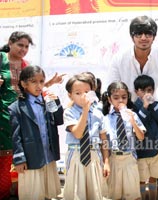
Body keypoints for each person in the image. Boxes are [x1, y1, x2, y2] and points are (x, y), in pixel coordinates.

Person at [0, 31, 64, 199]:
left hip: (24, 116)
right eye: (20, 45)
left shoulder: (26, 66)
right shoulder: (0, 59)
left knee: (28, 164)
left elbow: (35, 87)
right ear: (10, 43)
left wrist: (50, 89)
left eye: (27, 46)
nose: (24, 49)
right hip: (5, 116)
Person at [8, 65, 64, 199]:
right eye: (34, 81)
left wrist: (55, 102)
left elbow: (58, 120)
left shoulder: (47, 101)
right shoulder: (16, 108)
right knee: (32, 193)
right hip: (30, 157)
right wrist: (19, 159)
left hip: (48, 156)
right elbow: (16, 137)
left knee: (47, 192)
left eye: (41, 81)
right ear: (24, 84)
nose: (39, 85)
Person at [63, 74, 110, 200]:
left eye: (86, 92)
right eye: (78, 93)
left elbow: (104, 140)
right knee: (76, 191)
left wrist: (106, 162)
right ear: (70, 95)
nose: (83, 96)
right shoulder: (69, 112)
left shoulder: (98, 113)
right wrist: (85, 110)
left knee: (94, 190)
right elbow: (78, 133)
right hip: (76, 153)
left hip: (94, 154)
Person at [108, 15, 158, 102]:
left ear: (154, 37)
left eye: (148, 34)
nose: (143, 38)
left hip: (152, 108)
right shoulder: (118, 59)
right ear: (132, 37)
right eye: (139, 34)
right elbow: (111, 89)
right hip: (125, 108)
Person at [101, 81, 146, 200]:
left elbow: (141, 137)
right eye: (116, 98)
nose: (120, 100)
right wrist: (106, 162)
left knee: (133, 194)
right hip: (113, 159)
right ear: (110, 100)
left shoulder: (133, 115)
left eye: (124, 97)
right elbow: (104, 143)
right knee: (113, 194)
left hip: (129, 158)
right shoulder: (105, 118)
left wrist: (132, 121)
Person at [133, 75, 158, 200]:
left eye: (150, 90)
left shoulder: (156, 105)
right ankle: (142, 197)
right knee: (141, 179)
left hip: (155, 151)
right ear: (137, 92)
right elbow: (138, 123)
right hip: (141, 151)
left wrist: (152, 106)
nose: (147, 93)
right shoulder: (134, 107)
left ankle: (153, 197)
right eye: (143, 90)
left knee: (154, 177)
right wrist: (145, 106)